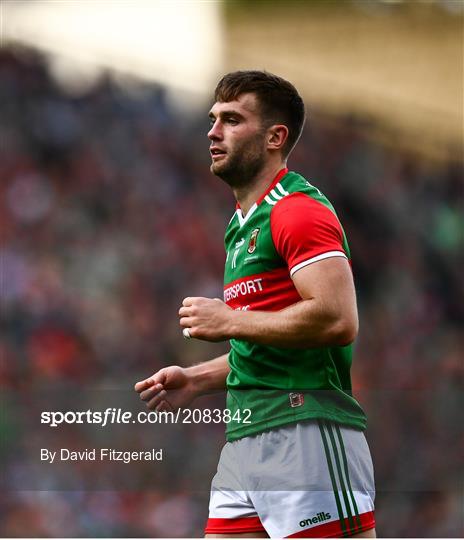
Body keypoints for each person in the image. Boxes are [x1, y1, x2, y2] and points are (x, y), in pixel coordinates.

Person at [135, 71, 376, 538]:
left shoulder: (297, 210)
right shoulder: (242, 225)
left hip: (305, 429)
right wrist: (199, 379)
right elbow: (271, 337)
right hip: (246, 438)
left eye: (231, 119)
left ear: (275, 137)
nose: (213, 130)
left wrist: (228, 319)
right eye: (213, 119)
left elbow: (337, 318)